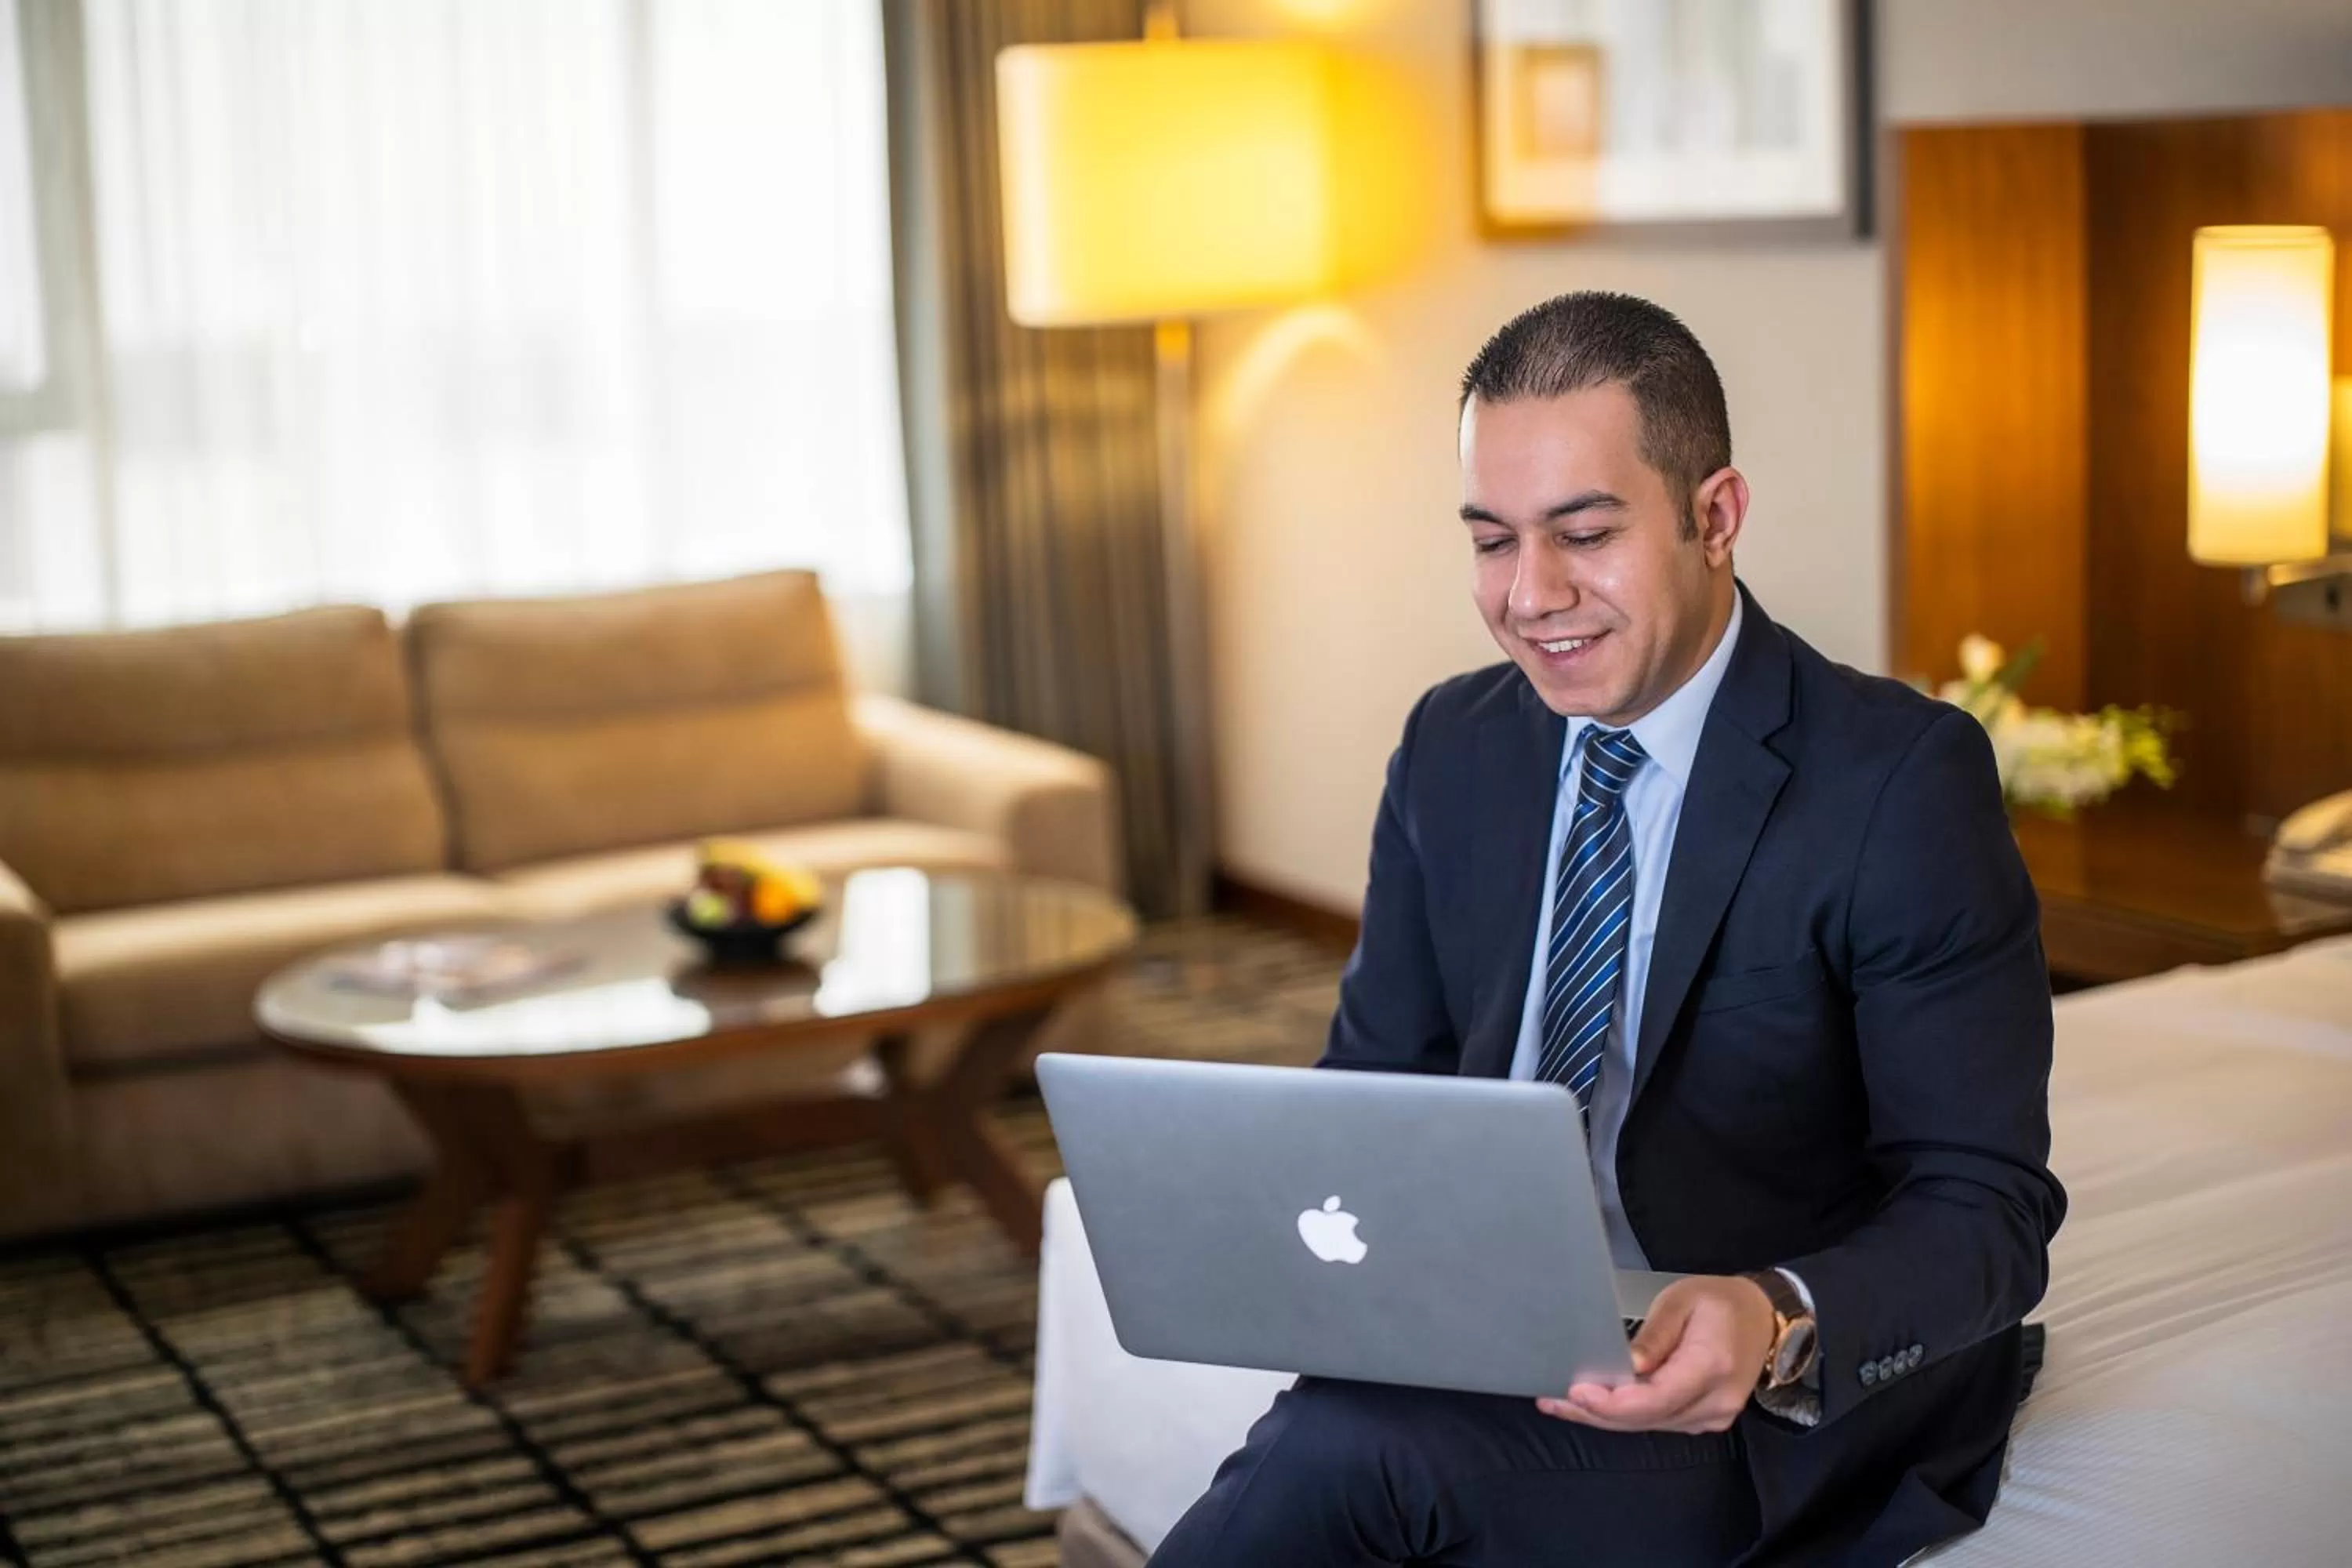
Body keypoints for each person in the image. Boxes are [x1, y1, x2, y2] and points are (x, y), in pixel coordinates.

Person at [1148, 292, 2066, 1567]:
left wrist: (1775, 1314)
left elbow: (1986, 1207)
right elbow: (1373, 1096)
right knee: (1346, 1427)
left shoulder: (1898, 781)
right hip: (1499, 1318)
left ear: (1715, 516)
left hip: (1752, 1388)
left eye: (1584, 533)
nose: (1532, 595)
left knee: (1346, 1453)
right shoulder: (1454, 746)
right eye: (1492, 541)